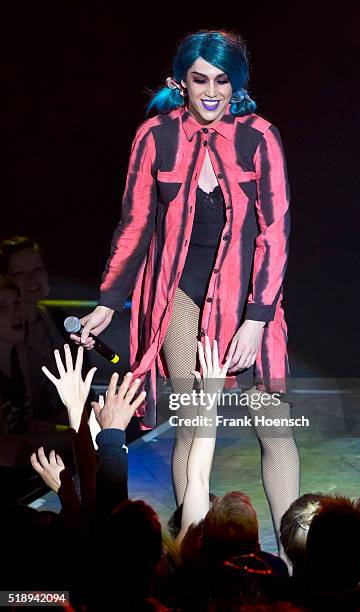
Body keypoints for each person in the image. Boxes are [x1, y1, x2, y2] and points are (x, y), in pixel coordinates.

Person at [70, 29, 299, 558]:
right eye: (200, 80)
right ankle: (192, 557)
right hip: (179, 298)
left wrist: (258, 317)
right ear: (182, 82)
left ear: (237, 84)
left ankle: (297, 560)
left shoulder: (260, 136)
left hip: (248, 303)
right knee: (196, 424)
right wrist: (110, 299)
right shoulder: (155, 136)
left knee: (276, 427)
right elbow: (135, 222)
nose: (212, 92)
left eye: (223, 80)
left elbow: (276, 231)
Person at [0, 235, 67, 423]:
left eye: (38, 269)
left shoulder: (57, 318)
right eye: (19, 273)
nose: (32, 278)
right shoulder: (11, 339)